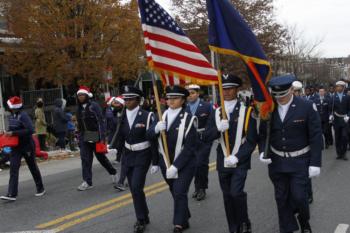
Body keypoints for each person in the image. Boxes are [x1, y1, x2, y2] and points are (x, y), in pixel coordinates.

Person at [260, 74, 322, 233]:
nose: (280, 98)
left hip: (300, 160)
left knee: (300, 197)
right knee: (281, 198)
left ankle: (304, 221)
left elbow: (315, 136)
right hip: (277, 161)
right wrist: (262, 151)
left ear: (292, 90)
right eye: (277, 95)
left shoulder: (306, 106)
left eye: (284, 95)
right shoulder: (269, 108)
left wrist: (315, 163)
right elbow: (263, 134)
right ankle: (286, 228)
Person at [203, 74, 260, 233]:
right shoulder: (216, 112)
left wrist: (237, 157)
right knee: (227, 197)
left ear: (237, 89)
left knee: (236, 193)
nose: (226, 92)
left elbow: (251, 140)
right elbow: (206, 136)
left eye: (230, 88)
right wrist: (218, 129)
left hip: (239, 160)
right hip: (222, 160)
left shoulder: (246, 111)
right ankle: (233, 227)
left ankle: (244, 222)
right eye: (224, 89)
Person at [148, 85, 197, 233]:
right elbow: (150, 138)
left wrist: (176, 166)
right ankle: (184, 216)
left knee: (180, 191)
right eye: (169, 98)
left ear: (183, 100)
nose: (171, 101)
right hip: (165, 162)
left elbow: (190, 148)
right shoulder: (160, 116)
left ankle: (178, 224)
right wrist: (156, 129)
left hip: (184, 164)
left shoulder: (189, 119)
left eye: (175, 98)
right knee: (174, 191)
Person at [114, 85, 158, 233]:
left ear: (138, 100)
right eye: (125, 99)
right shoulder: (122, 115)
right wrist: (114, 150)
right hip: (128, 155)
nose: (127, 101)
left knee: (137, 186)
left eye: (130, 99)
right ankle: (144, 215)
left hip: (143, 154)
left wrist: (155, 161)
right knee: (134, 189)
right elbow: (120, 135)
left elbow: (153, 140)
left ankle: (140, 220)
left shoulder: (147, 116)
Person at [0, 96, 45, 201]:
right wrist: (6, 133)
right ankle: (12, 194)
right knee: (13, 169)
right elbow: (12, 129)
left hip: (27, 146)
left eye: (10, 106)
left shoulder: (23, 116)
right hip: (16, 147)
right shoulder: (12, 116)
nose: (8, 107)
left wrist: (14, 133)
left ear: (15, 107)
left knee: (32, 167)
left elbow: (30, 130)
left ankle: (40, 188)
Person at [75, 86, 118, 191]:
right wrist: (79, 138)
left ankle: (113, 172)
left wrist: (102, 138)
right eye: (79, 95)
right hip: (85, 136)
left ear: (87, 96)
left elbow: (101, 122)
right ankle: (87, 182)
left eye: (82, 95)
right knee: (85, 159)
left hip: (96, 135)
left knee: (101, 157)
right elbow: (79, 125)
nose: (80, 97)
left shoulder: (94, 106)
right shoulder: (78, 109)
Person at [184, 84, 213, 201]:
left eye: (193, 93)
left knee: (201, 163)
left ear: (198, 93)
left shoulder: (207, 106)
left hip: (204, 139)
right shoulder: (184, 107)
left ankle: (202, 188)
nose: (190, 96)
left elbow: (212, 122)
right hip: (190, 140)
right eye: (188, 93)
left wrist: (208, 134)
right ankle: (197, 187)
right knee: (194, 165)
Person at [329, 80, 350, 160]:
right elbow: (330, 109)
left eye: (341, 86)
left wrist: (348, 116)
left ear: (343, 87)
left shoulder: (347, 97)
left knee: (344, 137)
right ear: (336, 88)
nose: (339, 88)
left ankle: (344, 153)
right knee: (337, 137)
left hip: (345, 120)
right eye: (338, 86)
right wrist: (330, 115)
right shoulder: (333, 97)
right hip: (337, 120)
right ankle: (339, 153)